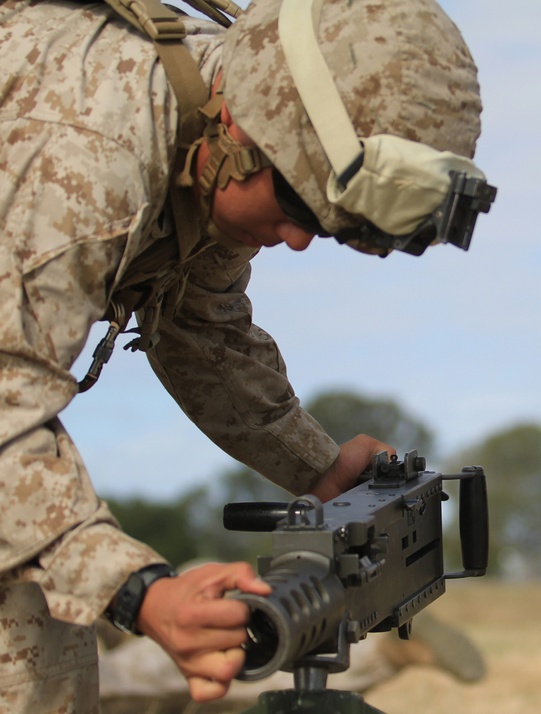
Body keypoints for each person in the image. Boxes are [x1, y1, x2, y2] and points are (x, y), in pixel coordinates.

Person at [0, 0, 494, 710]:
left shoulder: (219, 131)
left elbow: (204, 329)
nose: (295, 242)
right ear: (238, 124)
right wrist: (139, 590)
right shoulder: (80, 158)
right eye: (296, 208)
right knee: (31, 654)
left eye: (324, 228)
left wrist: (317, 468)